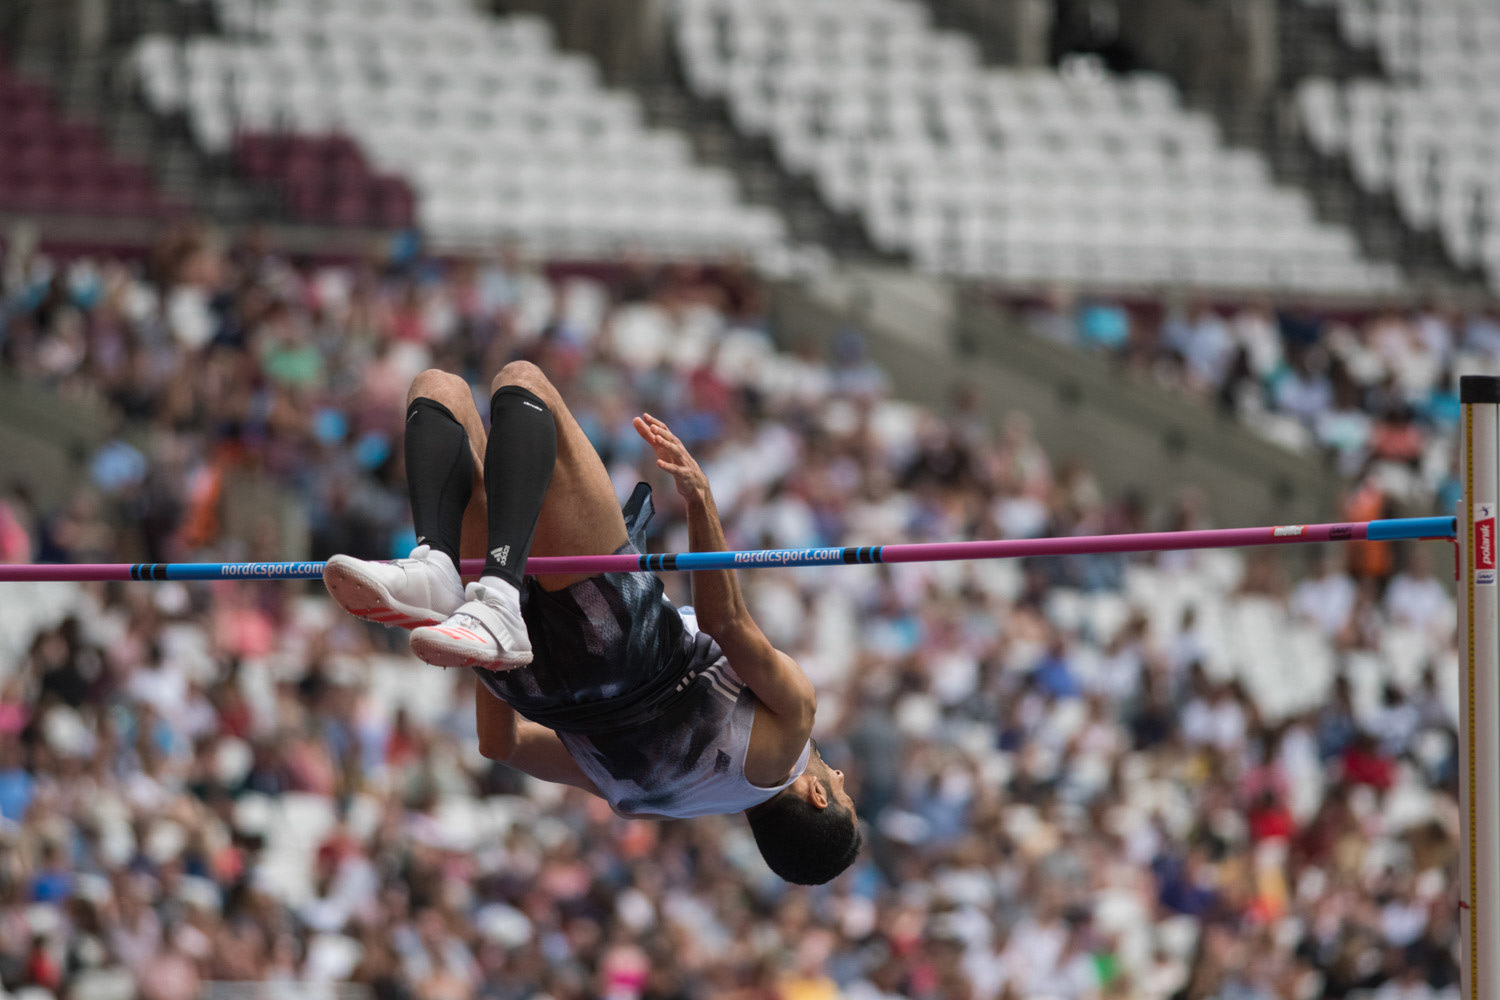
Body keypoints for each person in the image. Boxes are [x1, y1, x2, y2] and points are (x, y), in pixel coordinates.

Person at [321, 363, 860, 884]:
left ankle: (489, 592)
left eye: (842, 791)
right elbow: (499, 744)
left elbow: (725, 621)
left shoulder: (794, 727)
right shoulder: (647, 805)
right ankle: (455, 577)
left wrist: (701, 500)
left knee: (518, 384)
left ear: (819, 797)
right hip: (528, 680)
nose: (837, 776)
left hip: (623, 638)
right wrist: (482, 646)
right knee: (442, 396)